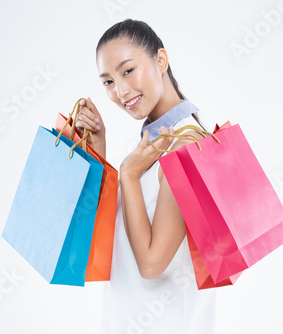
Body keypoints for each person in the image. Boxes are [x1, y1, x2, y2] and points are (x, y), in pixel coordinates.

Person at [75, 18, 217, 334]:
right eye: (108, 81)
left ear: (161, 60)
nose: (121, 91)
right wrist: (99, 153)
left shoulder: (188, 145)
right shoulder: (145, 145)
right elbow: (115, 242)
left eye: (127, 70)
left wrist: (127, 174)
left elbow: (152, 264)